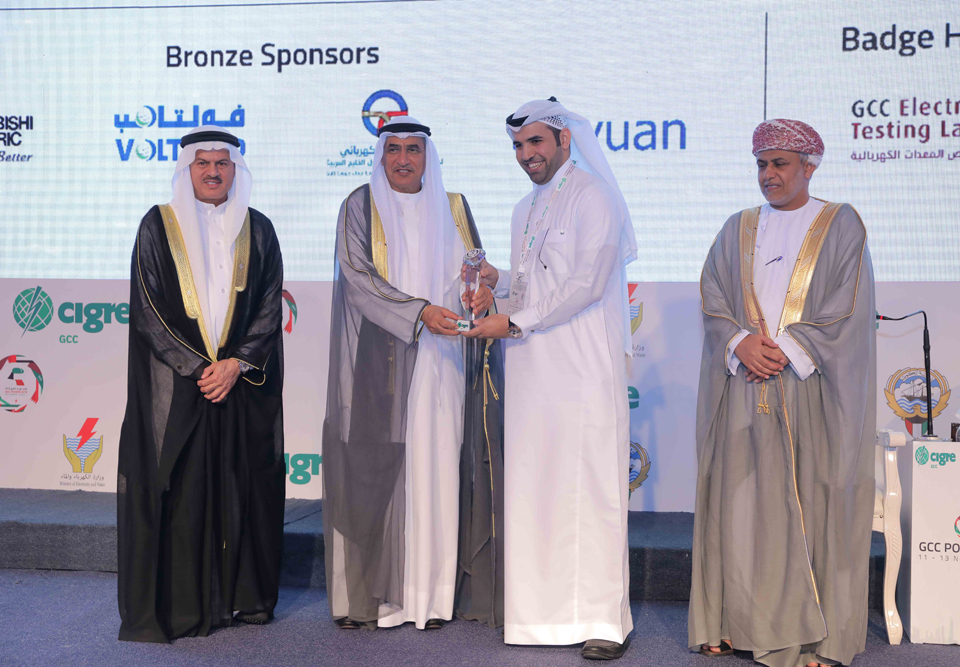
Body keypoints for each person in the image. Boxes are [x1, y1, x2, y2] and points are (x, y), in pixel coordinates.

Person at [688, 119, 876, 667]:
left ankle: (814, 637)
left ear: (809, 167)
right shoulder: (737, 226)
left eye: (780, 164)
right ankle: (729, 622)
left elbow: (847, 304)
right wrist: (740, 343)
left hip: (807, 388)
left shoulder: (840, 222)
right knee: (738, 508)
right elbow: (713, 294)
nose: (768, 174)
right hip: (743, 384)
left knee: (809, 503)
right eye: (761, 165)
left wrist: (786, 350)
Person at [466, 98, 637, 660]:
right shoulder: (525, 207)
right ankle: (540, 615)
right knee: (538, 486)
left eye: (535, 142)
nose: (526, 154)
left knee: (592, 491)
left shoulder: (595, 197)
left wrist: (513, 320)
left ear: (564, 140)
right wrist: (497, 283)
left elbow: (587, 283)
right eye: (518, 146)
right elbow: (534, 287)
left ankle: (603, 621)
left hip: (583, 369)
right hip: (532, 367)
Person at [322, 116, 503, 632]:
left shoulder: (455, 206)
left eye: (414, 150)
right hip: (383, 362)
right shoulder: (360, 204)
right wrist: (419, 312)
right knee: (380, 475)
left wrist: (481, 294)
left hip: (446, 362)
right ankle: (380, 596)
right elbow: (358, 278)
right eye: (394, 149)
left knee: (439, 470)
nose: (403, 160)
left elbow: (475, 275)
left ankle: (434, 597)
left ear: (428, 157)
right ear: (381, 155)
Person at [117, 125, 285, 642]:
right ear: (187, 169)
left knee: (242, 486)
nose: (213, 172)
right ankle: (184, 605)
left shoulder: (258, 228)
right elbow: (148, 309)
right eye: (203, 163)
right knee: (182, 491)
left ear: (235, 169)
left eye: (222, 163)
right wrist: (198, 368)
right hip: (180, 385)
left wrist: (235, 364)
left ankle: (240, 600)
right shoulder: (157, 225)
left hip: (240, 385)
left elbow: (269, 306)